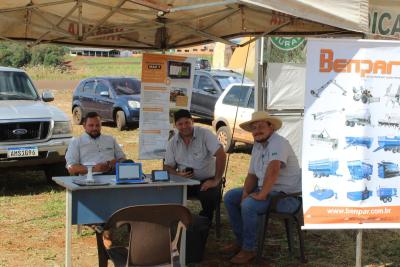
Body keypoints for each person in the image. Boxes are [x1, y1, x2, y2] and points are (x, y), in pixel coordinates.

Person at [223, 111, 301, 264]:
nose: (256, 130)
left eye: (261, 126)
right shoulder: (257, 146)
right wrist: (246, 192)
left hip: (287, 197)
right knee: (230, 197)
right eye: (254, 128)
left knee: (249, 205)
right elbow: (252, 175)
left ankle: (249, 249)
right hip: (268, 191)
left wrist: (261, 195)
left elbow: (273, 169)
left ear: (271, 127)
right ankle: (241, 241)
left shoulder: (278, 142)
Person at [164, 109, 227, 222]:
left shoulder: (205, 134)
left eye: (187, 122)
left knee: (209, 196)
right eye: (180, 124)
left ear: (192, 121)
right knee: (167, 193)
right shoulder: (173, 142)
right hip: (184, 182)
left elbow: (221, 154)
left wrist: (216, 180)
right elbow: (167, 167)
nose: (184, 126)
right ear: (175, 125)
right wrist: (178, 174)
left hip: (206, 180)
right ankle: (177, 221)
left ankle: (203, 223)